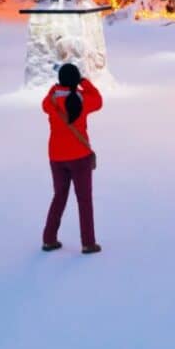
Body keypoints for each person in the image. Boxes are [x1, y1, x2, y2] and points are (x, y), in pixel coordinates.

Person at [41, 62, 102, 255]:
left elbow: (46, 100)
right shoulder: (83, 99)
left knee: (59, 196)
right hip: (79, 156)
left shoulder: (51, 101)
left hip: (56, 156)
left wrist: (56, 86)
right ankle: (88, 243)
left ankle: (49, 238)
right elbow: (99, 100)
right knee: (84, 200)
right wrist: (84, 82)